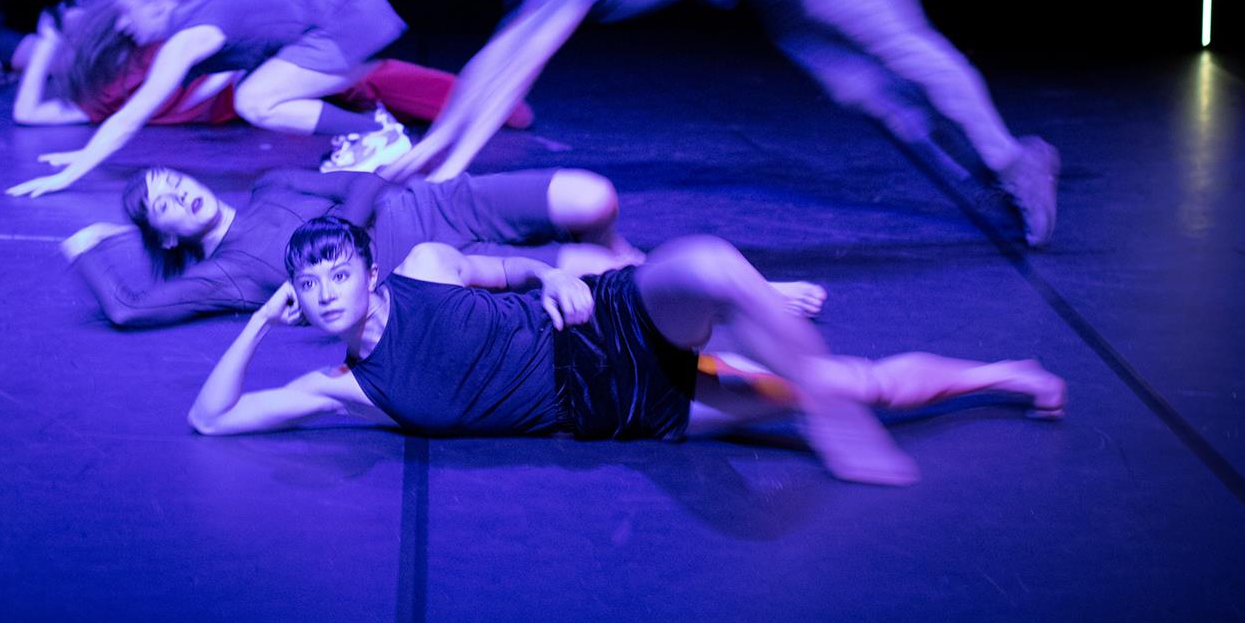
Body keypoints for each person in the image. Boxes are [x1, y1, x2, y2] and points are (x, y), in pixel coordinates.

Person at [382, 0, 1061, 247]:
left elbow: (522, 66)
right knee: (860, 92)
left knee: (900, 47)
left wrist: (446, 173)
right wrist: (431, 150)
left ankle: (1012, 157)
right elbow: (496, 58)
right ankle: (983, 178)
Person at [187, 218, 1066, 486]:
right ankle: (1005, 376)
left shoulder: (424, 266)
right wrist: (259, 321)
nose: (326, 292)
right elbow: (211, 418)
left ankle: (755, 301)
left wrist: (544, 274)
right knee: (852, 383)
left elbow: (511, 264)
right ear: (297, 298)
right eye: (308, 286)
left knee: (708, 260)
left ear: (369, 272)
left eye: (338, 273)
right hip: (619, 406)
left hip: (601, 320)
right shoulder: (346, 388)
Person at [57, 164, 743, 329]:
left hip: (442, 205)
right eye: (162, 204)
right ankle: (735, 295)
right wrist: (85, 248)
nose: (179, 193)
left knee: (594, 197)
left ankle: (648, 260)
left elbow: (364, 180)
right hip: (447, 264)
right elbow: (128, 308)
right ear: (165, 233)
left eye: (173, 181)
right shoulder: (227, 273)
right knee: (606, 276)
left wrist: (348, 229)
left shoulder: (271, 184)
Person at [6, 0, 415, 195]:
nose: (123, 27)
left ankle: (375, 133)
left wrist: (68, 177)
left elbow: (132, 115)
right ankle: (368, 131)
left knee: (255, 100)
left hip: (348, 12)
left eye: (127, 15)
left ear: (154, 4)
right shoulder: (196, 17)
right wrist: (87, 155)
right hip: (347, 7)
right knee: (254, 90)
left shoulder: (189, 35)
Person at [11, 0, 535, 131]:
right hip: (256, 88)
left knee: (371, 79)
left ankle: (493, 104)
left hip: (260, 75)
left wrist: (48, 42)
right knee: (369, 82)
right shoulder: (105, 92)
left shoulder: (148, 48)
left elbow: (213, 52)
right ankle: (492, 105)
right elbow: (29, 115)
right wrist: (47, 43)